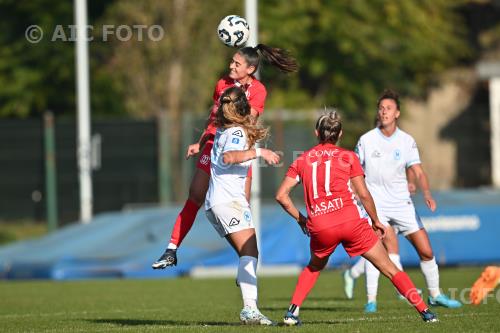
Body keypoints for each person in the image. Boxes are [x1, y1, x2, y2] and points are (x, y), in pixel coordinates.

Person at [275, 111, 438, 326]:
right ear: (340, 134)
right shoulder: (347, 157)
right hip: (350, 222)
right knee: (389, 267)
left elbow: (281, 196)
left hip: (321, 226)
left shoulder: (302, 160)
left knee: (314, 267)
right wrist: (376, 220)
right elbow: (363, 193)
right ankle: (426, 312)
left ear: (316, 133)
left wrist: (302, 220)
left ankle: (291, 313)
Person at [152, 45, 298, 268]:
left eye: (237, 63)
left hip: (238, 150)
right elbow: (213, 117)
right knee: (195, 195)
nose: (231, 66)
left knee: (241, 205)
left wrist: (237, 102)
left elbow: (248, 121)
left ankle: (247, 258)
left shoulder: (258, 90)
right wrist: (200, 142)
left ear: (250, 69)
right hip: (213, 145)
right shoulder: (222, 84)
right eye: (231, 61)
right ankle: (171, 250)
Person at [350, 89, 461, 313]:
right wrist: (355, 197)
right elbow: (354, 172)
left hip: (402, 204)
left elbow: (418, 172)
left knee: (426, 251)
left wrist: (427, 193)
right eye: (381, 108)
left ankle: (436, 295)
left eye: (388, 108)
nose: (384, 112)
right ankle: (371, 300)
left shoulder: (406, 140)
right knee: (376, 249)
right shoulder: (366, 140)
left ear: (397, 113)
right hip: (376, 204)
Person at [204, 86, 280, 324]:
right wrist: (261, 152)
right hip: (227, 202)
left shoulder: (224, 130)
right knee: (250, 252)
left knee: (247, 255)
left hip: (219, 201)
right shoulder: (236, 132)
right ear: (242, 108)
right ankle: (250, 309)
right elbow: (229, 157)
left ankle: (247, 288)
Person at [342, 167, 418, 300]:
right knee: (379, 249)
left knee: (383, 250)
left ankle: (353, 274)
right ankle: (379, 296)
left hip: (386, 205)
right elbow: (354, 183)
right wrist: (356, 193)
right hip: (372, 209)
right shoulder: (361, 152)